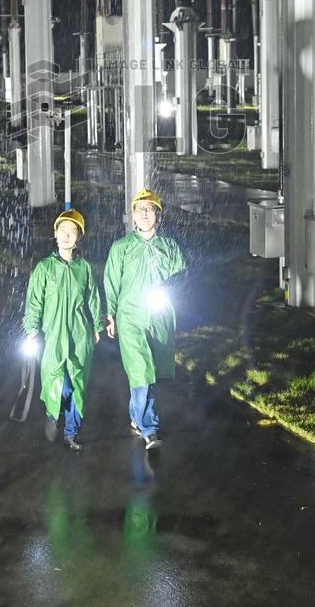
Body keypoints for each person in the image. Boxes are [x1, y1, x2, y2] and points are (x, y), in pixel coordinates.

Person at [103, 189, 186, 450]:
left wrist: (173, 294)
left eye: (150, 210)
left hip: (159, 317)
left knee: (153, 371)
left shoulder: (169, 246)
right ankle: (150, 428)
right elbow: (111, 281)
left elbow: (181, 276)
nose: (145, 214)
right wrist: (111, 314)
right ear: (133, 215)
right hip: (130, 318)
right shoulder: (122, 247)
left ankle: (136, 416)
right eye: (140, 209)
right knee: (142, 369)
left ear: (158, 215)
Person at [22, 209, 102, 451]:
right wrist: (32, 327)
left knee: (77, 383)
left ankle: (72, 433)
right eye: (63, 230)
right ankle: (52, 413)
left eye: (73, 231)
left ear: (79, 237)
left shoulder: (84, 268)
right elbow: (34, 300)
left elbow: (93, 299)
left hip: (78, 335)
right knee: (57, 381)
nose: (67, 235)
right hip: (52, 336)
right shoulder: (44, 268)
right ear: (55, 234)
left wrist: (97, 325)